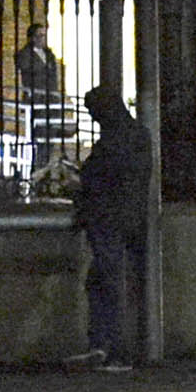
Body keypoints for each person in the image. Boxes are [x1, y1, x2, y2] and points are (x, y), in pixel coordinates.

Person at [67, 83, 146, 371]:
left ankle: (113, 350)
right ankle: (104, 345)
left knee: (108, 285)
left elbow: (100, 178)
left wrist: (79, 184)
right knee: (102, 282)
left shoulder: (114, 140)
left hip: (108, 220)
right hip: (125, 219)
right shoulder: (136, 135)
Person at [13, 22, 69, 171]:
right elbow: (24, 72)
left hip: (51, 100)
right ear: (31, 37)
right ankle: (35, 168)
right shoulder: (24, 55)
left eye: (43, 35)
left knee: (50, 136)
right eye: (38, 35)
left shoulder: (49, 54)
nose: (42, 39)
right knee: (38, 135)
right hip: (36, 100)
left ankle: (45, 168)